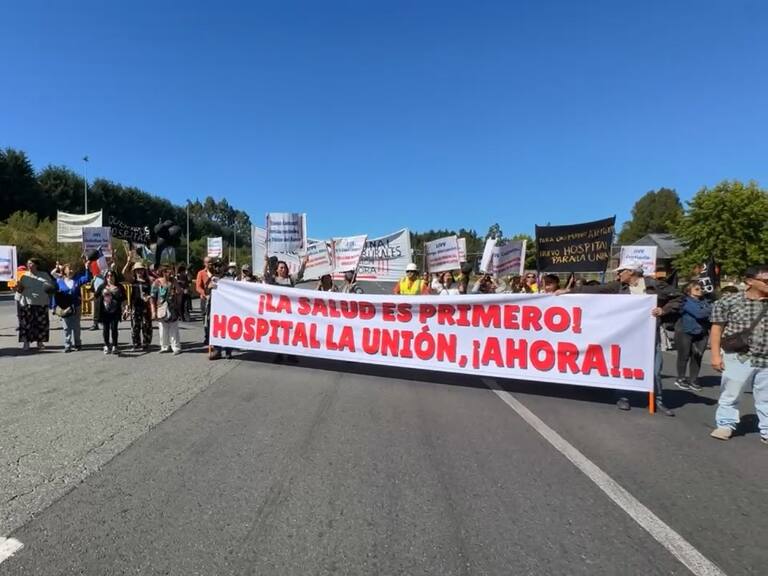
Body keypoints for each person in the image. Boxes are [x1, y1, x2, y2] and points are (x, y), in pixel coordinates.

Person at [560, 261, 681, 416]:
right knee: (625, 366)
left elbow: (679, 297)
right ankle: (624, 397)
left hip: (649, 334)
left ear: (631, 272)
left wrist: (663, 310)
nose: (618, 275)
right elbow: (595, 289)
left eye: (621, 271)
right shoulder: (618, 287)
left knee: (655, 370)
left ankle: (658, 400)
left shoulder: (654, 285)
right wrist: (568, 291)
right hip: (627, 334)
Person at [709, 264, 768, 443]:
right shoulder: (729, 302)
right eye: (765, 280)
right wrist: (715, 355)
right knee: (731, 393)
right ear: (750, 281)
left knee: (766, 397)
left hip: (766, 358)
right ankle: (725, 425)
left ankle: (766, 430)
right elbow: (717, 329)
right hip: (739, 356)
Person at [674, 281, 712, 391]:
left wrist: (708, 310)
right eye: (697, 289)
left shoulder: (705, 301)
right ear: (688, 291)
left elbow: (711, 312)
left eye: (700, 288)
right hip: (685, 331)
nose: (700, 290)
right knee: (684, 355)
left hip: (701, 332)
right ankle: (681, 378)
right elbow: (699, 314)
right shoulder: (685, 301)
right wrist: (709, 310)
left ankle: (693, 379)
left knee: (698, 356)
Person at [15, 258, 56, 351]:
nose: (29, 265)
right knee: (26, 324)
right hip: (27, 303)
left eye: (31, 264)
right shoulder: (24, 276)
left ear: (36, 265)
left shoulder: (44, 275)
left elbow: (51, 287)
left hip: (41, 302)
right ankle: (26, 343)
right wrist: (17, 287)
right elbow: (20, 290)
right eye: (28, 264)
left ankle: (40, 342)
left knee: (41, 324)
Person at [52, 262, 90, 352]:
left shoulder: (77, 279)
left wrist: (87, 268)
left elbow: (87, 278)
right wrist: (55, 307)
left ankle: (78, 343)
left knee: (76, 326)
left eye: (73, 269)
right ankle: (67, 345)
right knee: (66, 327)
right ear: (64, 271)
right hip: (64, 307)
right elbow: (54, 292)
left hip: (76, 306)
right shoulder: (59, 280)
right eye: (69, 269)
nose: (72, 271)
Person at [123, 260, 154, 352]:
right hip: (135, 306)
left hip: (146, 306)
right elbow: (124, 273)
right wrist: (128, 262)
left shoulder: (148, 281)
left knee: (146, 325)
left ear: (144, 271)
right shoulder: (133, 280)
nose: (139, 272)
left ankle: (146, 343)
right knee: (135, 325)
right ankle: (136, 344)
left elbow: (153, 292)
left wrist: (149, 297)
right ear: (135, 271)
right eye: (137, 270)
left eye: (141, 270)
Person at [151, 266, 182, 355]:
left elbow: (180, 292)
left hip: (173, 308)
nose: (170, 273)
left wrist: (175, 283)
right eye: (168, 271)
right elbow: (152, 298)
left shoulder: (173, 281)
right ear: (163, 272)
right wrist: (153, 311)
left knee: (174, 328)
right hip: (161, 308)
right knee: (162, 328)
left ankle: (176, 347)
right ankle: (164, 346)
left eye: (171, 271)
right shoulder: (156, 282)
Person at [96, 269, 126, 355]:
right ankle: (106, 345)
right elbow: (95, 295)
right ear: (105, 277)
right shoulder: (102, 286)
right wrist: (85, 299)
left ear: (115, 277)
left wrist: (126, 308)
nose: (110, 277)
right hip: (104, 311)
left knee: (114, 329)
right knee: (105, 329)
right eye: (108, 276)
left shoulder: (119, 287)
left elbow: (124, 299)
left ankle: (115, 346)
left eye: (111, 275)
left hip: (115, 311)